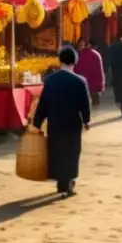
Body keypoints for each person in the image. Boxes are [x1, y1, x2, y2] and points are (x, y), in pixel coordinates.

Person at [32, 47, 91, 198]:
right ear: (74, 62)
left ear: (60, 61)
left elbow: (43, 104)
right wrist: (86, 120)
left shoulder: (50, 80)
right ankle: (68, 182)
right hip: (72, 124)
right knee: (71, 153)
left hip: (55, 122)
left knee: (57, 152)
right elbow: (85, 104)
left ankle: (61, 183)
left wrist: (37, 123)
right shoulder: (79, 81)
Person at [74, 41, 105, 106]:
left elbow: (75, 70)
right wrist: (101, 84)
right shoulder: (96, 55)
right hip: (94, 84)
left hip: (82, 83)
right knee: (95, 103)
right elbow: (100, 71)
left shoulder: (78, 55)